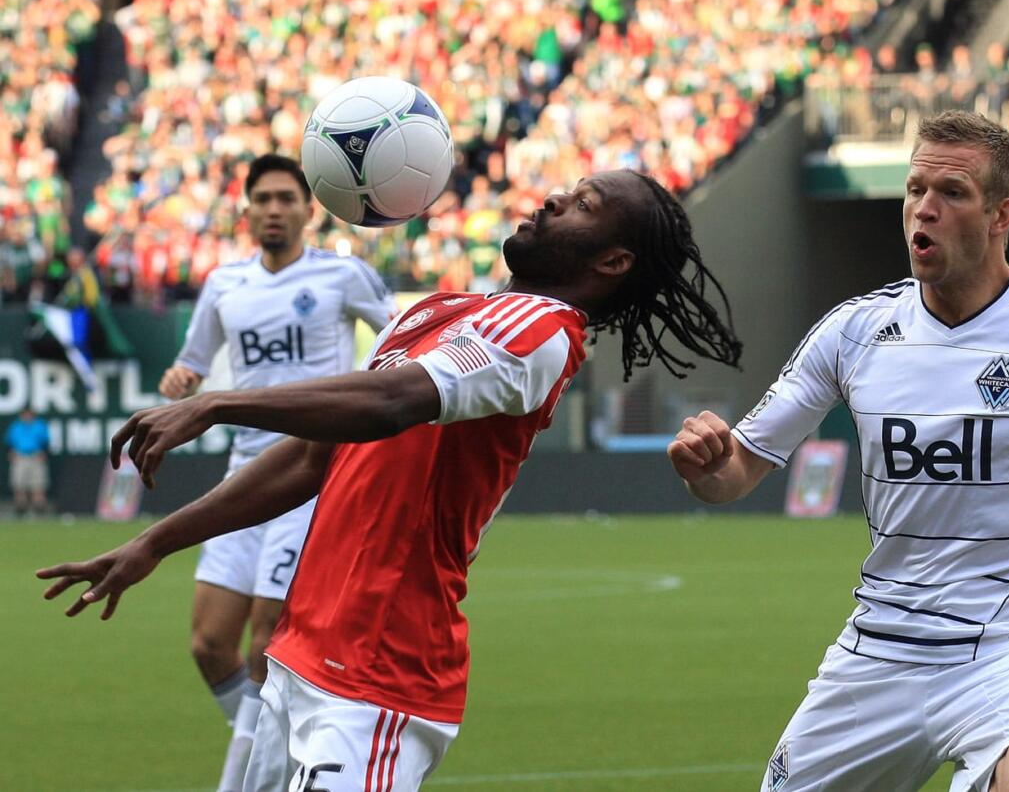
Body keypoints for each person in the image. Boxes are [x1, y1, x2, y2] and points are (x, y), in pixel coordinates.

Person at [38, 169, 742, 791]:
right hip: (299, 656)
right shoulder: (435, 311)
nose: (555, 198)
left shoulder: (544, 331)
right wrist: (156, 542)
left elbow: (391, 401)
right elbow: (314, 458)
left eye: (585, 203)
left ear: (613, 259)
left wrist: (216, 402)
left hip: (379, 676)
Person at [666, 110, 1009, 792]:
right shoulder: (854, 332)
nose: (922, 209)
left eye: (951, 193)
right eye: (914, 189)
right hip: (879, 653)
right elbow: (737, 471)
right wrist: (707, 467)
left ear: (1001, 214)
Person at [154, 153, 398, 792]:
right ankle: (277, 749)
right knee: (210, 644)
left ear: (307, 208)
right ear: (246, 211)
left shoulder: (343, 275)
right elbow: (192, 364)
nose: (272, 209)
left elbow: (401, 340)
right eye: (261, 198)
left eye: (285, 198)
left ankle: (246, 780)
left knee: (267, 641)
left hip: (310, 476)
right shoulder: (224, 285)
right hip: (242, 474)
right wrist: (181, 380)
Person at [6, 407, 51, 516]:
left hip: (35, 456)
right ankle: (20, 511)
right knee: (19, 485)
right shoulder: (16, 427)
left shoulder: (39, 426)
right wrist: (11, 452)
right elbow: (9, 442)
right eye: (25, 414)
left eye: (29, 414)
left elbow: (46, 441)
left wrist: (44, 453)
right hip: (20, 456)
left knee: (38, 485)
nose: (27, 416)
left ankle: (39, 511)